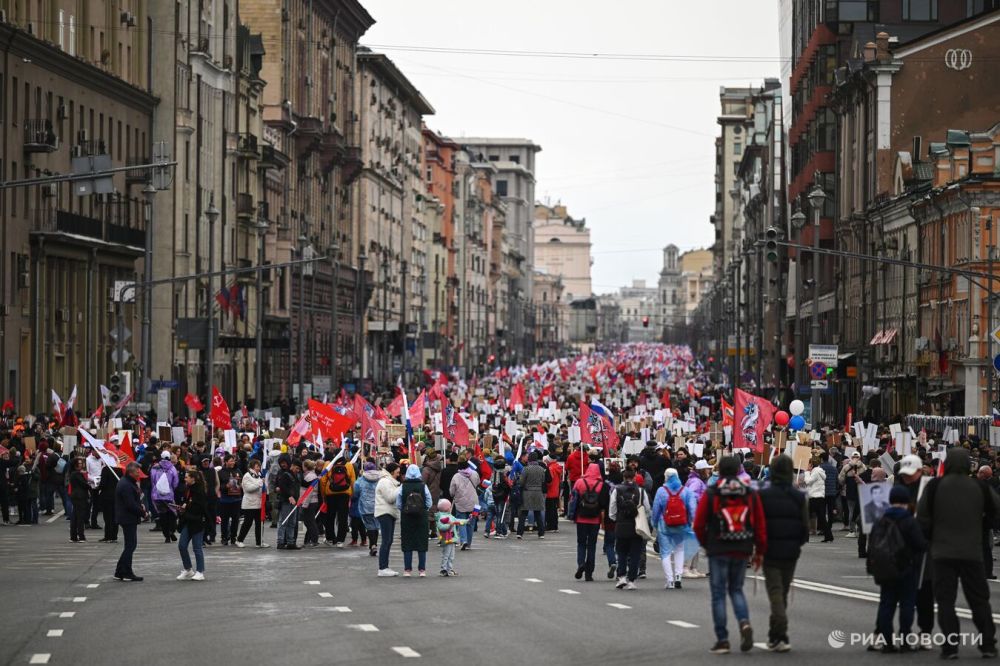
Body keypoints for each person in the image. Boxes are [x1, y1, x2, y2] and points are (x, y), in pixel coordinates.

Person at [917, 447, 1000, 659]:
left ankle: (950, 646)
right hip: (972, 551)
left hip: (942, 551)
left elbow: (922, 518)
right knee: (979, 599)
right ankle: (987, 644)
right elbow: (995, 512)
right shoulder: (980, 487)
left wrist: (932, 536)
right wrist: (982, 525)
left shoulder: (935, 486)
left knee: (945, 601)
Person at [694, 455, 767, 655]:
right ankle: (744, 622)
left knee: (718, 594)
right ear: (738, 470)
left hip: (718, 548)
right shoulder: (750, 492)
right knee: (736, 589)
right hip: (742, 547)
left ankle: (723, 640)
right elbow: (760, 524)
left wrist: (706, 544)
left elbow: (698, 524)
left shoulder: (712, 492)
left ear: (719, 471)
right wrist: (759, 551)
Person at [758, 454, 809, 652]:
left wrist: (757, 545)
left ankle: (780, 630)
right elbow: (805, 526)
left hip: (769, 549)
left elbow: (758, 523)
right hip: (791, 550)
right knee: (783, 591)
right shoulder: (799, 496)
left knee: (775, 591)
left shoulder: (763, 495)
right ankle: (776, 635)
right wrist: (798, 542)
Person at [868, 485, 926, 652]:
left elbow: (872, 545)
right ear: (906, 502)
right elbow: (920, 545)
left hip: (886, 569)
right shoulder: (910, 521)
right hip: (907, 568)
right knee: (907, 604)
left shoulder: (880, 520)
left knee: (886, 604)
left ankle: (887, 642)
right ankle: (905, 640)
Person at [651, 467, 697, 590]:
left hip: (665, 525)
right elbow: (692, 509)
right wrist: (691, 522)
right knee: (679, 550)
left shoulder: (661, 491)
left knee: (665, 552)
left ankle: (670, 580)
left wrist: (654, 523)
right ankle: (678, 577)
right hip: (682, 524)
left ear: (666, 477)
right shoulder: (685, 490)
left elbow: (655, 509)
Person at [609, 468, 651, 590]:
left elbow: (612, 507)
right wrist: (642, 518)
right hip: (637, 526)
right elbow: (647, 508)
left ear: (624, 477)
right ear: (634, 477)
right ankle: (632, 580)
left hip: (621, 525)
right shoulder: (641, 491)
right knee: (635, 554)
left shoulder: (617, 490)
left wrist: (615, 518)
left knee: (621, 552)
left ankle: (622, 577)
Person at [568, 461, 605, 582]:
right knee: (592, 545)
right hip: (595, 519)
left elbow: (573, 499)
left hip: (581, 517)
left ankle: (581, 563)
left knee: (581, 543)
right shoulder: (601, 484)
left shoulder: (580, 482)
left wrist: (571, 514)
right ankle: (589, 573)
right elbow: (604, 502)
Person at [396, 464, 433, 577]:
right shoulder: (423, 486)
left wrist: (404, 509)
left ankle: (407, 570)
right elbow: (429, 502)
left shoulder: (403, 486)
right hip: (421, 517)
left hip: (407, 517)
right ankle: (422, 570)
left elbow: (398, 503)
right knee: (421, 542)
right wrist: (424, 509)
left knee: (407, 542)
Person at [114, 462, 147, 582]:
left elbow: (133, 500)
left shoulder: (128, 482)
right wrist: (143, 513)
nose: (139, 473)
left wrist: (140, 505)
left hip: (128, 517)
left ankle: (120, 570)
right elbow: (130, 504)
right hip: (127, 518)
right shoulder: (126, 484)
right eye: (137, 471)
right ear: (130, 472)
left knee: (130, 545)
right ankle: (125, 572)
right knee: (130, 545)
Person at [176, 469, 208, 581]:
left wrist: (186, 507)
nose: (185, 479)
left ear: (193, 478)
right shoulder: (188, 489)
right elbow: (187, 502)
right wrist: (182, 507)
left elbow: (199, 508)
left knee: (197, 548)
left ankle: (200, 571)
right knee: (182, 546)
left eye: (187, 477)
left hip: (197, 522)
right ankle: (188, 569)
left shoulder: (200, 491)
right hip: (188, 521)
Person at [683, 459, 712, 578]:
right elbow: (691, 496)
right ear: (702, 470)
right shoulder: (697, 482)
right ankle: (686, 568)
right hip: (694, 516)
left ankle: (693, 568)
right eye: (707, 469)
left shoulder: (696, 480)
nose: (709, 471)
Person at [321, 453, 355, 547]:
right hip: (344, 494)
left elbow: (323, 481)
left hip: (330, 494)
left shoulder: (328, 464)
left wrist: (323, 495)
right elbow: (353, 481)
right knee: (343, 517)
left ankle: (330, 538)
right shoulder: (349, 465)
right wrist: (351, 494)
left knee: (330, 517)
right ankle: (340, 540)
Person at [375, 462, 401, 576]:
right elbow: (390, 498)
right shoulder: (385, 481)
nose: (398, 475)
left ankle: (385, 566)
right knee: (386, 541)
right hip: (385, 512)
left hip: (388, 512)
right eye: (397, 472)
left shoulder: (389, 481)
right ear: (392, 471)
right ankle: (383, 567)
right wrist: (400, 489)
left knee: (388, 540)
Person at [516, 452, 549, 540]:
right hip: (538, 492)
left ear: (529, 459)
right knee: (538, 513)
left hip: (527, 492)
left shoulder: (526, 469)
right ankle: (541, 533)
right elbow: (543, 480)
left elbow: (521, 482)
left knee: (523, 513)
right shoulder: (541, 469)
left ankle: (520, 533)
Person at [236, 459, 268, 548]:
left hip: (259, 503)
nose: (259, 468)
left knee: (260, 523)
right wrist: (260, 484)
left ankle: (259, 542)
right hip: (249, 504)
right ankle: (239, 540)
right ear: (252, 467)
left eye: (259, 466)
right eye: (257, 466)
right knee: (247, 523)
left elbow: (263, 487)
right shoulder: (247, 476)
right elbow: (248, 489)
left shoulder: (260, 476)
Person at [449, 461, 481, 549]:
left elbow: (452, 492)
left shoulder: (456, 476)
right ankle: (469, 543)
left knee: (461, 522)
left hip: (460, 502)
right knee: (471, 523)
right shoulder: (474, 473)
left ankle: (464, 541)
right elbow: (478, 483)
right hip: (474, 502)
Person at [150, 451, 179, 543]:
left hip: (157, 495)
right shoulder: (172, 468)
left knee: (162, 515)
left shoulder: (154, 467)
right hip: (169, 495)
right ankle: (171, 530)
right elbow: (175, 482)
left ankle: (166, 536)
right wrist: (170, 488)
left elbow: (152, 480)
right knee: (172, 514)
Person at [354, 462, 381, 557]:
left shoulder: (360, 480)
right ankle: (374, 544)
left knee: (369, 526)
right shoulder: (380, 479)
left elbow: (355, 492)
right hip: (378, 505)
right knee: (376, 525)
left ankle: (372, 545)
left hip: (365, 506)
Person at [435, 498, 468, 576]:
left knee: (451, 555)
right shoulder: (441, 517)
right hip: (446, 539)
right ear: (447, 508)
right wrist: (449, 526)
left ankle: (449, 569)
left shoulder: (450, 516)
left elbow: (457, 521)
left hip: (451, 539)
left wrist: (467, 520)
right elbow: (440, 527)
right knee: (446, 555)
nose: (451, 508)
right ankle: (443, 569)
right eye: (450, 507)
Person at [803, 457, 832, 542]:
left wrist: (807, 473)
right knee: (822, 518)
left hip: (814, 497)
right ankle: (829, 536)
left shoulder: (815, 471)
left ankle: (805, 537)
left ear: (811, 464)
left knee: (807, 517)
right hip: (820, 497)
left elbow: (808, 482)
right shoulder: (819, 471)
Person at [275, 456, 301, 550]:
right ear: (292, 466)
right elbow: (282, 487)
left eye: (299, 469)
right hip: (286, 501)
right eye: (297, 468)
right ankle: (280, 542)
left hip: (295, 502)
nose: (297, 470)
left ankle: (290, 542)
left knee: (292, 523)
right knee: (283, 521)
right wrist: (289, 496)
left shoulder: (296, 475)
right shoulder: (285, 475)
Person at [217, 454, 242, 546]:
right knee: (224, 520)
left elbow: (241, 481)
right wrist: (226, 486)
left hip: (236, 499)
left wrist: (241, 485)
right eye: (231, 461)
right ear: (226, 462)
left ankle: (233, 537)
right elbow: (218, 486)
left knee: (235, 519)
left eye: (233, 461)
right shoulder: (220, 472)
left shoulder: (238, 470)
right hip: (225, 499)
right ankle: (224, 537)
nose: (232, 462)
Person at [67, 457, 90, 543]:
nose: (81, 465)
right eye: (79, 463)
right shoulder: (76, 474)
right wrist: (89, 485)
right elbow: (84, 484)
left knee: (75, 516)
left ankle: (73, 536)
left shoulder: (74, 473)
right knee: (79, 517)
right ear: (75, 465)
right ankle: (81, 536)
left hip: (76, 496)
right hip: (79, 496)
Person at [199, 455, 219, 546]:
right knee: (204, 519)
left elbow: (217, 483)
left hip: (212, 497)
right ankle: (203, 537)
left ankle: (211, 535)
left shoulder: (213, 471)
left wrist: (215, 491)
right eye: (204, 461)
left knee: (212, 517)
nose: (206, 463)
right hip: (202, 499)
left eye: (207, 461)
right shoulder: (198, 472)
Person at [300, 459, 321, 547]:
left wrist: (305, 503)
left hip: (310, 501)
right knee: (309, 521)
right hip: (311, 501)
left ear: (306, 467)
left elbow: (309, 491)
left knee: (310, 521)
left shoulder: (310, 476)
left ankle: (314, 539)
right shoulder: (311, 475)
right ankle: (309, 539)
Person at [97, 462, 119, 543]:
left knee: (108, 517)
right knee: (114, 516)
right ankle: (114, 536)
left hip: (107, 496)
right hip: (116, 496)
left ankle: (108, 536)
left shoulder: (105, 469)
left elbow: (103, 484)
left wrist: (98, 487)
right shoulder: (119, 470)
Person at [544, 454, 563, 533]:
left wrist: (545, 484)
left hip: (550, 492)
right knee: (554, 510)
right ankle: (555, 526)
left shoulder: (550, 468)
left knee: (549, 510)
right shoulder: (557, 467)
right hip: (556, 491)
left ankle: (550, 526)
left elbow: (549, 481)